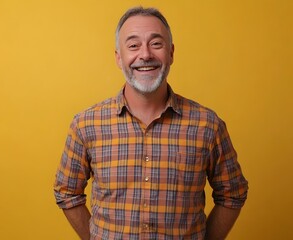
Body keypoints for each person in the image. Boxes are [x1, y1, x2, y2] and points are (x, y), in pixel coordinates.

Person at [54, 6, 248, 240]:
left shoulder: (208, 125)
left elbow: (233, 194)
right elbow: (67, 193)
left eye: (156, 44)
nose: (145, 54)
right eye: (133, 45)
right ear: (119, 57)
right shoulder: (86, 124)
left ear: (171, 53)